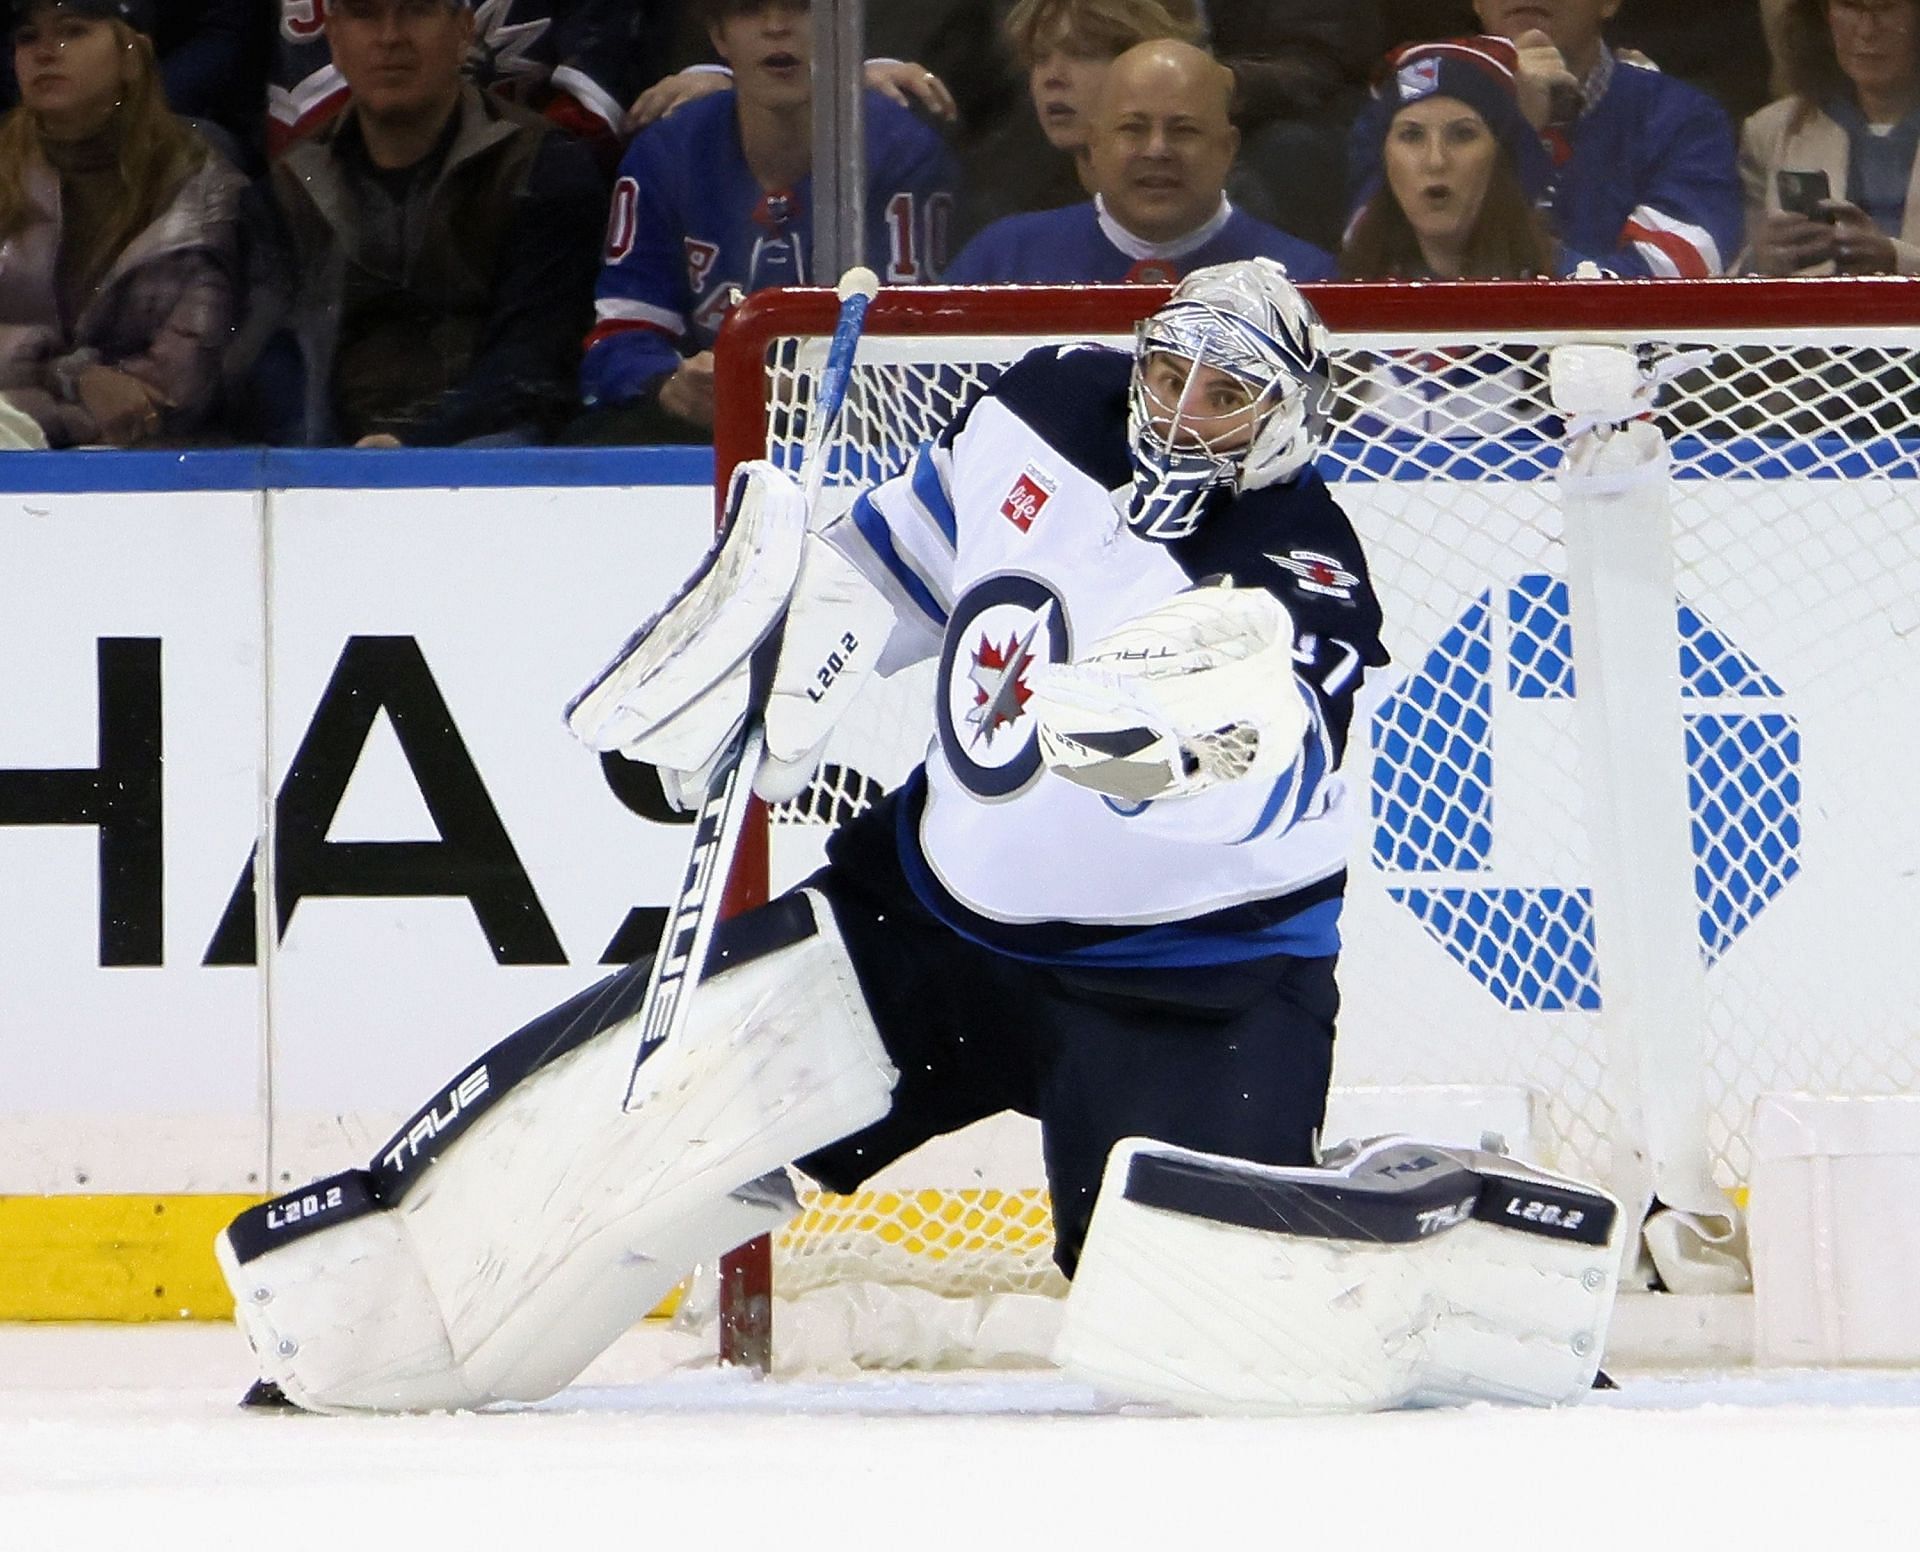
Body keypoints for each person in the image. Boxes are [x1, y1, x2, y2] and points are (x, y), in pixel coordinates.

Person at [220, 259, 1410, 1416]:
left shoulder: (1300, 564)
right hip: (929, 927)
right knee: (644, 1131)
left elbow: (1281, 760)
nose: (1183, 414)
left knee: (1210, 1330)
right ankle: (383, 1319)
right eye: (1170, 375)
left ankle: (1414, 1267)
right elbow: (901, 564)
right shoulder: (1045, 404)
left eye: (1227, 394)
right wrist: (783, 649)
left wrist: (1174, 756)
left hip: (1190, 984)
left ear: (1287, 416)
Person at [574, 0, 956, 443]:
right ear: (718, 36)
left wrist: (807, 389)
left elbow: (913, 354)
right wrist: (668, 383)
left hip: (856, 441)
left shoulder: (902, 153)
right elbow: (620, 338)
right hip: (705, 435)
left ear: (844, 29)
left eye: (803, 7)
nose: (776, 27)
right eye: (749, 9)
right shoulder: (666, 154)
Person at [243, 0, 606, 447]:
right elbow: (274, 366)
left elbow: (532, 361)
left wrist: (412, 453)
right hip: (330, 467)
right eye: (364, 14)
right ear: (333, 38)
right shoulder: (287, 189)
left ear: (463, 32)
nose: (391, 37)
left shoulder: (543, 165)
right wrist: (337, 467)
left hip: (493, 457)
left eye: (417, 11)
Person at [0, 0, 246, 448]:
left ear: (132, 55)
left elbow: (179, 383)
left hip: (152, 466)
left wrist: (28, 406)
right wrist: (77, 378)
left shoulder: (202, 186)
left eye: (72, 31)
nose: (45, 51)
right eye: (27, 37)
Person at [1357, 1, 1744, 278]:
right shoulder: (1398, 107)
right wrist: (1512, 123)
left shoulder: (1683, 117)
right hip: (1433, 375)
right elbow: (1377, 258)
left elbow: (1671, 280)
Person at [946, 39, 1335, 282]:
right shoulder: (1003, 259)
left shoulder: (1304, 277)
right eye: (1133, 128)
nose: (1156, 149)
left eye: (1184, 130)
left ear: (1227, 149)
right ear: (1095, 144)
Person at [267, 0, 651, 161]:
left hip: (515, 200)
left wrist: (496, 165)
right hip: (360, 194)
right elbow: (297, 136)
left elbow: (592, 118)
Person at [1341, 36, 1568, 278]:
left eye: (1463, 134)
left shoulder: (1580, 289)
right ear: (1384, 158)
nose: (1436, 160)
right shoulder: (1332, 299)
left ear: (1503, 157)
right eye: (1412, 135)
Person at [1741, 0, 1920, 275]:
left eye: (1886, 9)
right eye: (1850, 7)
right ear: (1824, 16)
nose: (1867, 30)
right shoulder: (1771, 131)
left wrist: (1899, 262)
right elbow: (1713, 276)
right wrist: (1757, 266)